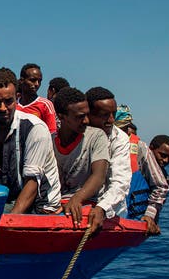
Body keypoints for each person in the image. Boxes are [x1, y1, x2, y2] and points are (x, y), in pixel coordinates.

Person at [0, 69, 61, 214]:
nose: (2, 108)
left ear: (16, 98)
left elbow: (32, 182)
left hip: (41, 203)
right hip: (10, 199)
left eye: (8, 101)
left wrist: (11, 220)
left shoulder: (34, 128)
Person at [52, 87, 109, 234]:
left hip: (87, 203)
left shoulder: (96, 136)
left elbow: (99, 176)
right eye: (80, 117)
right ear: (62, 116)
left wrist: (77, 199)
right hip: (56, 205)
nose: (86, 120)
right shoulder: (49, 140)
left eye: (87, 115)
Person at [86, 87, 132, 221]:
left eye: (114, 113)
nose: (111, 120)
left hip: (110, 213)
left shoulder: (119, 138)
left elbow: (120, 182)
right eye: (105, 115)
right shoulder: (76, 134)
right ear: (88, 114)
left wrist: (101, 208)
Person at [16, 63, 58, 133]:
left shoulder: (45, 105)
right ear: (22, 80)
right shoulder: (13, 105)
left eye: (39, 81)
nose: (37, 84)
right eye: (33, 80)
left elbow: (52, 133)